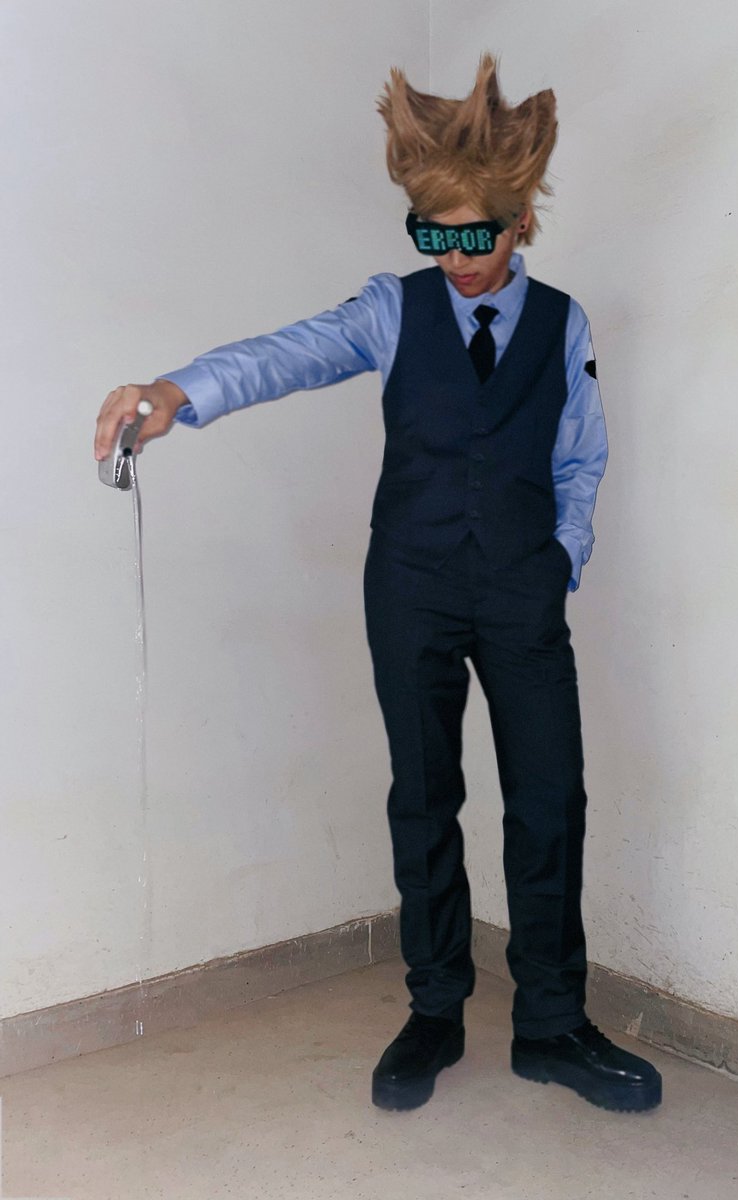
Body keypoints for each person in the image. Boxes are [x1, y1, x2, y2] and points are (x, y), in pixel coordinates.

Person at [94, 54, 662, 1115]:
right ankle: (435, 1010)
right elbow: (287, 353)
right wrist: (176, 391)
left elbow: (583, 456)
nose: (455, 259)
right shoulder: (391, 310)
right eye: (432, 236)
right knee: (424, 796)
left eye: (475, 236)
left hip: (523, 590)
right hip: (411, 585)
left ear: (520, 223)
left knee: (551, 798)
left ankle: (551, 1025)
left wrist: (563, 555)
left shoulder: (564, 324)